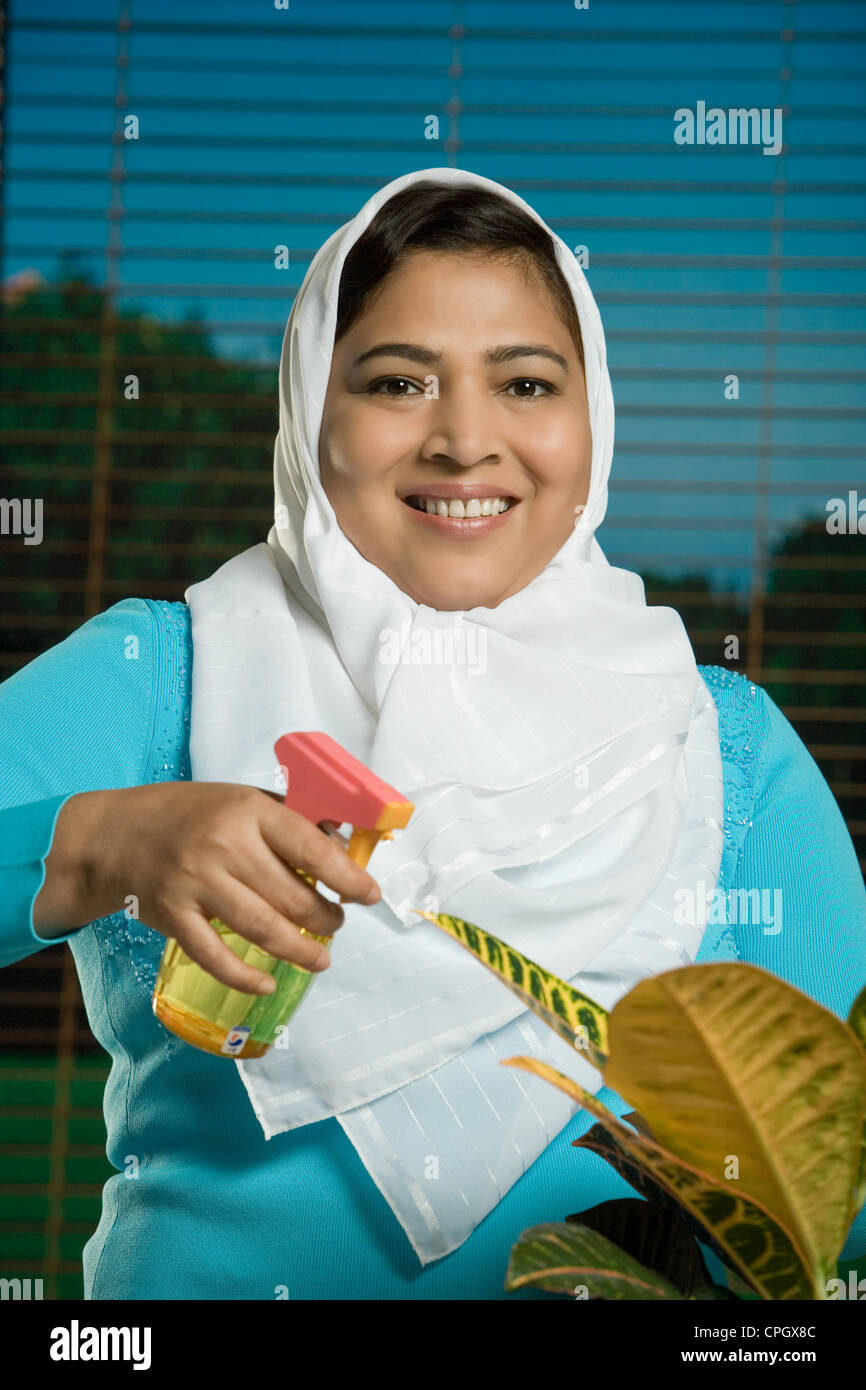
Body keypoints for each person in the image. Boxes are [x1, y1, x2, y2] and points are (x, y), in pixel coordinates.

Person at [1, 168, 864, 1301]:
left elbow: (829, 1191)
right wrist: (97, 840)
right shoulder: (161, 670)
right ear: (314, 408)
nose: (465, 441)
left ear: (589, 418)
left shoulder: (718, 741)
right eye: (398, 381)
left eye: (524, 383)